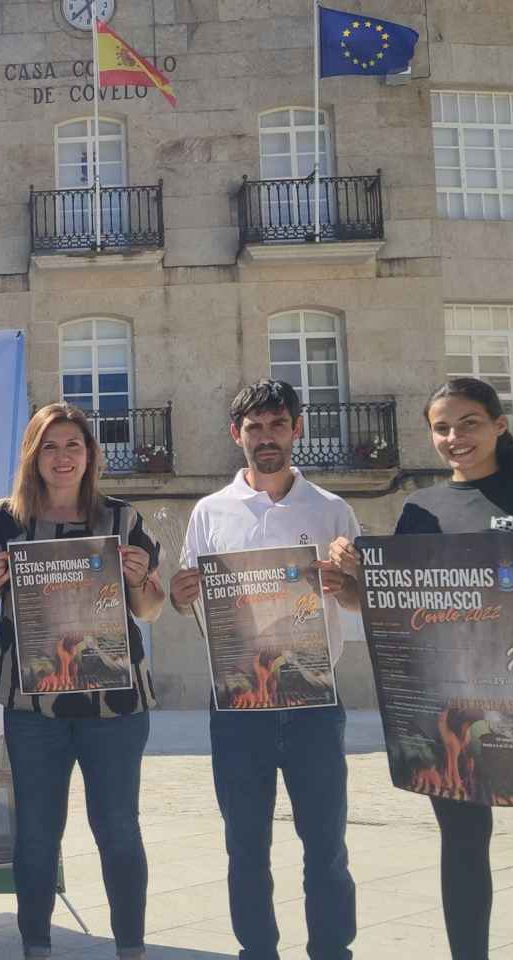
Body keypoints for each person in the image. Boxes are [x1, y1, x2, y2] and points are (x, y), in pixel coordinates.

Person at [330, 377, 513, 960]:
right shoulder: (421, 508)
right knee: (461, 843)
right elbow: (395, 607)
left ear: (499, 425)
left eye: (469, 422)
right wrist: (354, 582)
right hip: (447, 708)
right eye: (442, 427)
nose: (455, 437)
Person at [0, 403, 167, 960]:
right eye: (49, 446)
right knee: (36, 835)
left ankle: (131, 948)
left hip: (116, 707)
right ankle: (36, 946)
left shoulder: (122, 520)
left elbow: (151, 609)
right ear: (33, 455)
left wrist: (140, 581)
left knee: (119, 830)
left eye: (73, 445)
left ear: (90, 455)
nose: (62, 456)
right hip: (34, 711)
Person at [167, 380, 361, 960]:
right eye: (254, 427)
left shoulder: (332, 510)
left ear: (297, 429)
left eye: (277, 425)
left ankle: (332, 949)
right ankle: (257, 950)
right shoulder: (209, 511)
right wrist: (180, 593)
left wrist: (347, 583)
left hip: (312, 700)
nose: (266, 437)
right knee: (245, 844)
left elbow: (357, 602)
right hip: (237, 703)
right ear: (237, 435)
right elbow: (187, 599)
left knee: (325, 842)